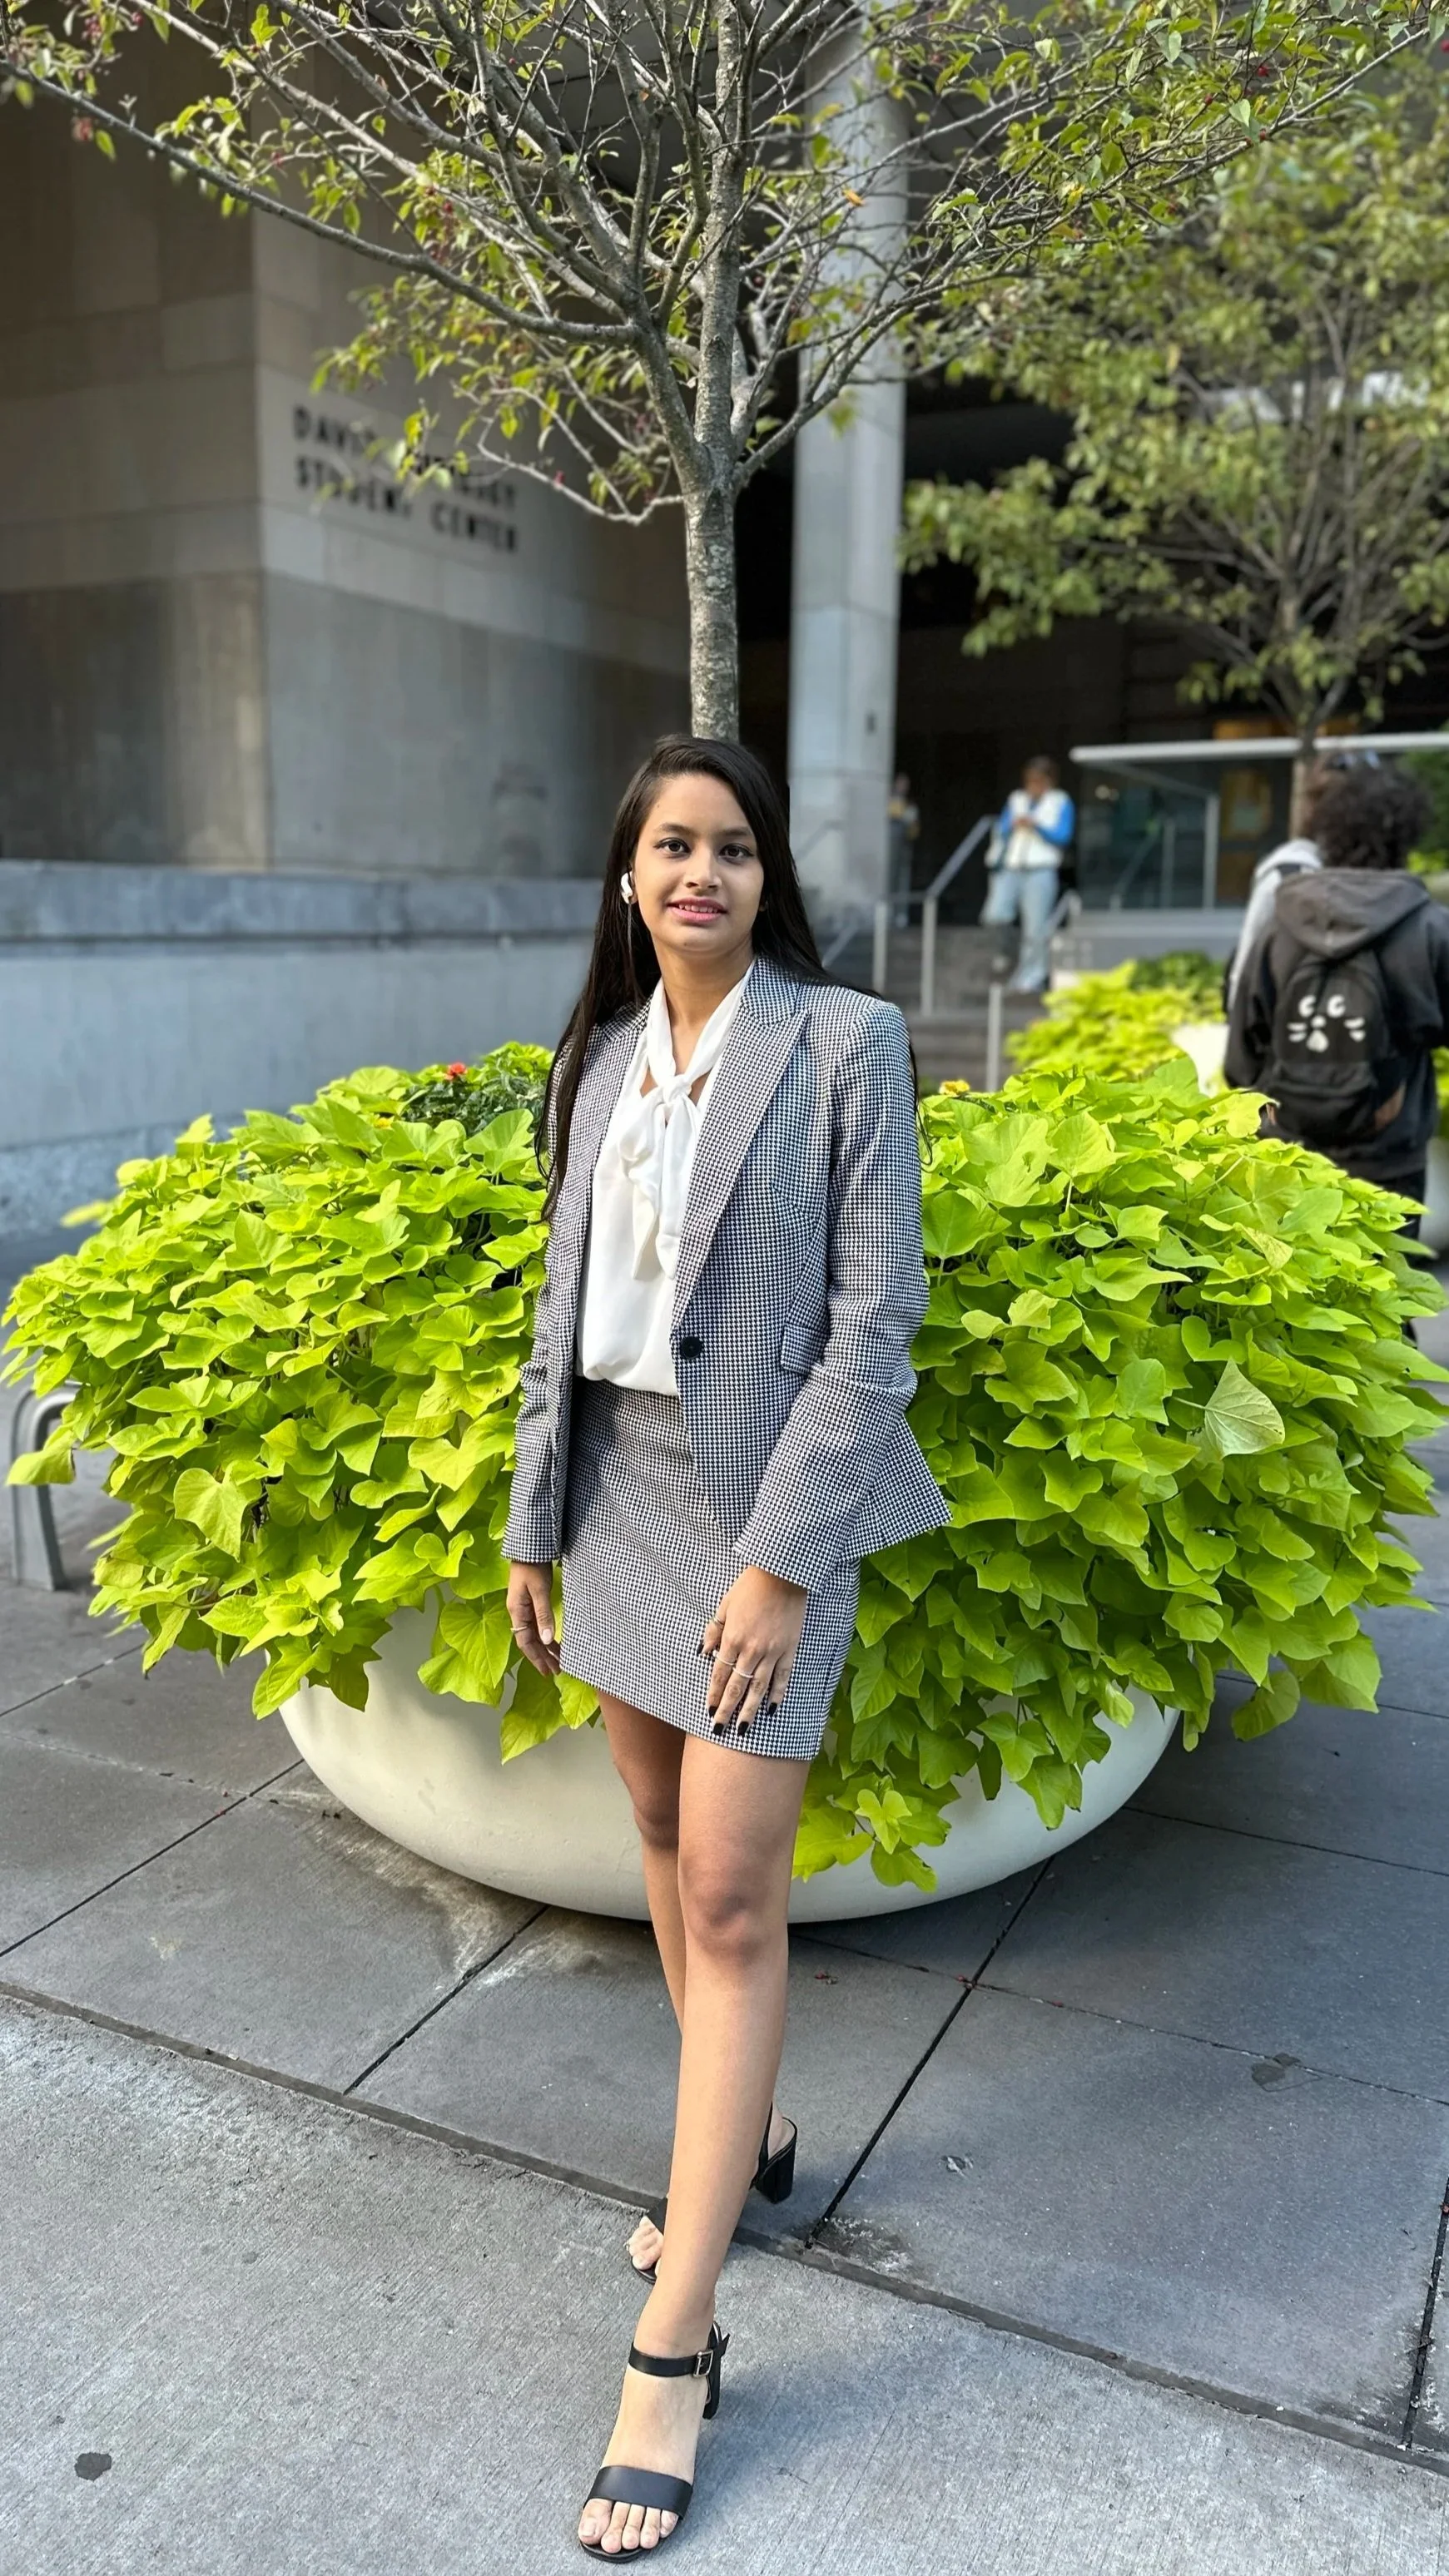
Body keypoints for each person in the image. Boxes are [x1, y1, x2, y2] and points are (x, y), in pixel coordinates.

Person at [504, 735, 950, 2559]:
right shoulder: (599, 1054)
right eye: (672, 846)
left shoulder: (842, 1046)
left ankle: (675, 2343)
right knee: (660, 1843)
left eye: (734, 849)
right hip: (614, 1495)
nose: (702, 871)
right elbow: (559, 1305)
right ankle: (741, 2155)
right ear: (628, 880)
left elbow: (877, 1326)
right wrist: (533, 1517)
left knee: (738, 1898)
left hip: (767, 1513)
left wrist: (777, 1566)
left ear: (768, 884)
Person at [1225, 762, 1447, 1230]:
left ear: (1326, 833)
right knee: (1384, 1293)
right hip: (1388, 1158)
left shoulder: (1281, 923)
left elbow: (1242, 1055)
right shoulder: (1428, 928)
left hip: (1288, 1156)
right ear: (1405, 837)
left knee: (1292, 1295)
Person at [980, 755, 1075, 993]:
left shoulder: (1060, 801)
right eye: (1029, 781)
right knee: (994, 915)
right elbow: (1001, 829)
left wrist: (1036, 826)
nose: (1033, 786)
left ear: (1049, 781)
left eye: (1038, 781)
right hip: (1012, 867)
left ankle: (1032, 975)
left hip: (1041, 870)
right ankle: (1007, 951)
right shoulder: (1017, 799)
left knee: (1036, 928)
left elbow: (1063, 836)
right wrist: (1013, 825)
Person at [887, 770, 920, 926]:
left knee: (903, 880)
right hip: (891, 847)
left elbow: (914, 826)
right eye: (901, 783)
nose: (903, 787)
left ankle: (901, 913)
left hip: (905, 846)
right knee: (890, 879)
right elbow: (893, 815)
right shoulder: (889, 800)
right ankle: (889, 912)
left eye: (906, 784)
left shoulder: (910, 804)